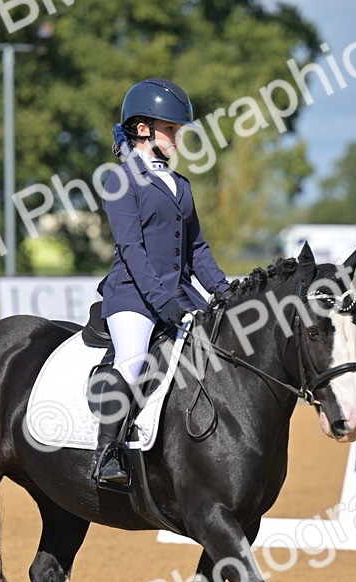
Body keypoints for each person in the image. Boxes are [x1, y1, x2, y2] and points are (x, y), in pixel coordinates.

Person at [91, 78, 232, 488]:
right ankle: (107, 453)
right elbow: (131, 249)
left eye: (177, 129)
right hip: (133, 296)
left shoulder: (180, 185)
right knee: (134, 360)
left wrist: (223, 290)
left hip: (180, 295)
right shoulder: (120, 181)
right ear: (142, 130)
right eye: (170, 129)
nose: (177, 137)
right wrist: (161, 300)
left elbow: (197, 249)